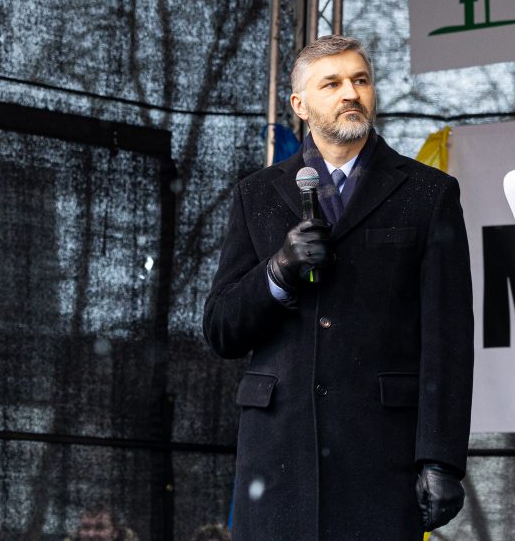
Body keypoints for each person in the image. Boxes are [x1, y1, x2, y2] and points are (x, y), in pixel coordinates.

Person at [203, 35, 474, 540]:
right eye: (332, 83)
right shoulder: (257, 194)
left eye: (360, 80)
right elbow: (221, 328)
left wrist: (442, 459)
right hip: (277, 454)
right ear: (300, 105)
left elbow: (449, 339)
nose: (351, 92)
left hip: (380, 453)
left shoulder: (428, 193)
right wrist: (278, 271)